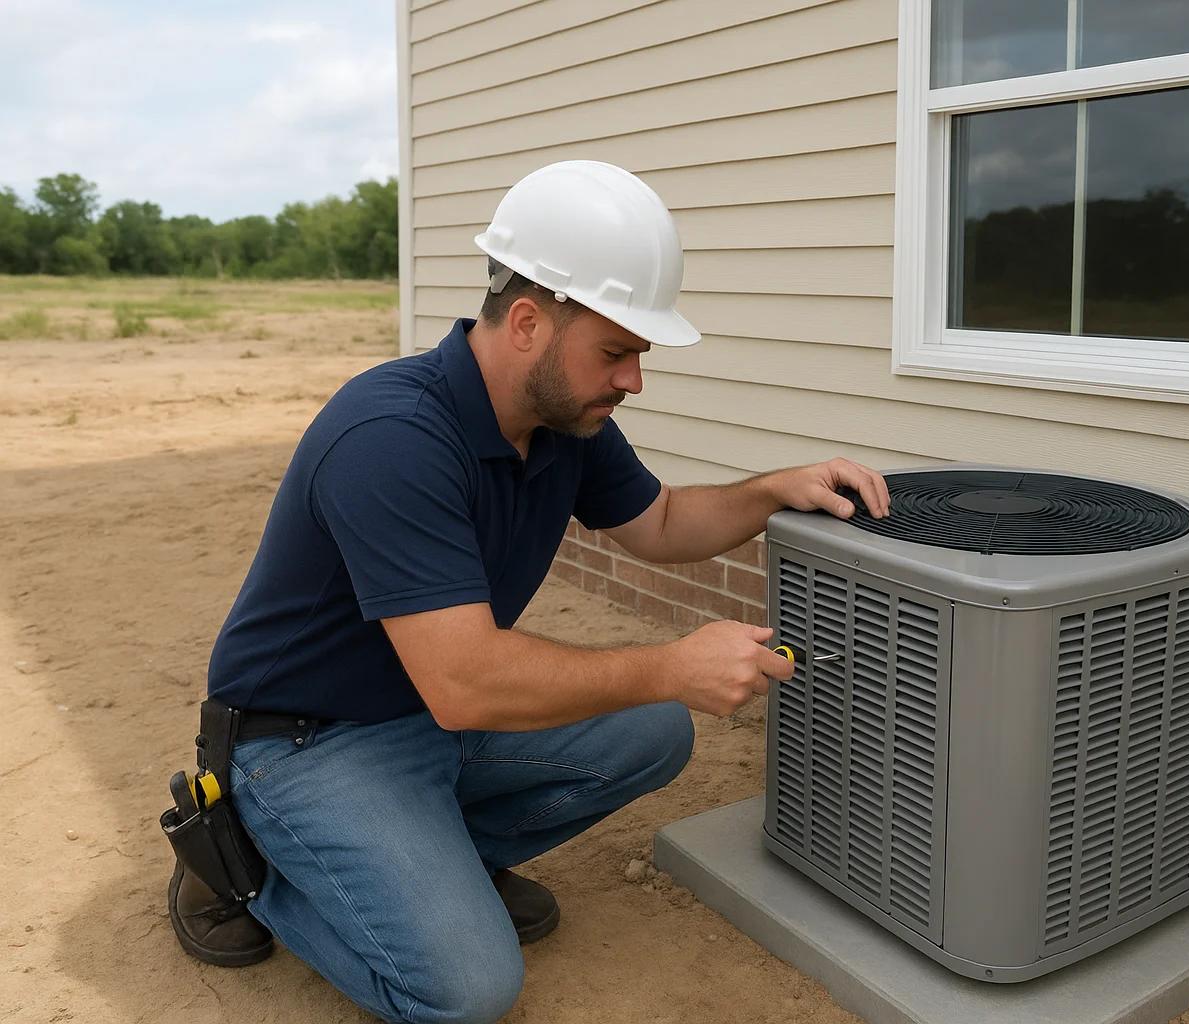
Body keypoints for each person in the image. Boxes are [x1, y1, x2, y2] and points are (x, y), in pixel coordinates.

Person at [165, 159, 892, 1024]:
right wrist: (670, 663)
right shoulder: (391, 437)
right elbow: (467, 680)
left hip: (428, 720)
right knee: (466, 991)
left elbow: (660, 522)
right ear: (525, 323)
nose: (632, 379)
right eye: (615, 352)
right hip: (305, 743)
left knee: (652, 733)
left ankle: (423, 861)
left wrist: (776, 489)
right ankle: (243, 860)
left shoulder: (562, 421)